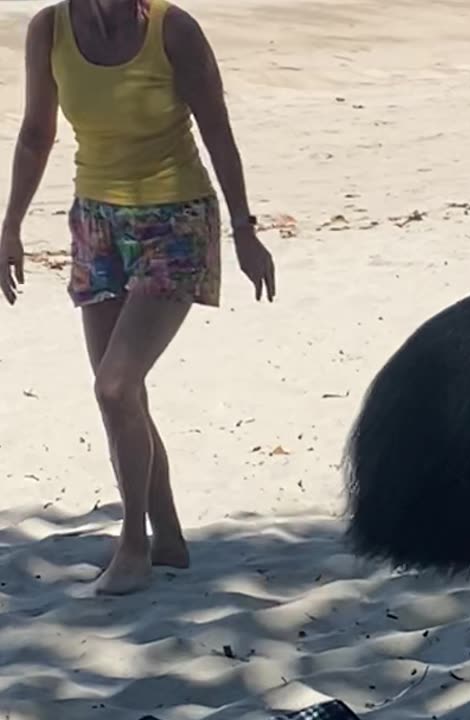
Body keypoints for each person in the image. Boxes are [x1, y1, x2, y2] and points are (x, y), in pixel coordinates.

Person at [0, 0, 277, 595]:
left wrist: (245, 230)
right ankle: (169, 537)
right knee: (121, 397)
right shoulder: (50, 30)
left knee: (115, 385)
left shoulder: (173, 30)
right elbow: (34, 134)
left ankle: (133, 546)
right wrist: (10, 226)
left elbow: (218, 130)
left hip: (176, 221)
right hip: (95, 224)